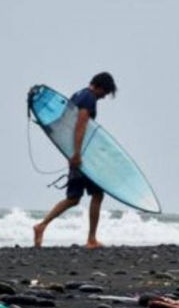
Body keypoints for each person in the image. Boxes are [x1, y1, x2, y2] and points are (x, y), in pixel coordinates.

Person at [33, 72, 117, 248]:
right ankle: (91, 239)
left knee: (73, 198)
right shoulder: (89, 98)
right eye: (105, 92)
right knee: (97, 194)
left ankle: (41, 226)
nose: (104, 97)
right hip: (81, 156)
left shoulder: (79, 95)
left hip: (74, 152)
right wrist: (77, 154)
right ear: (100, 87)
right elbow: (80, 125)